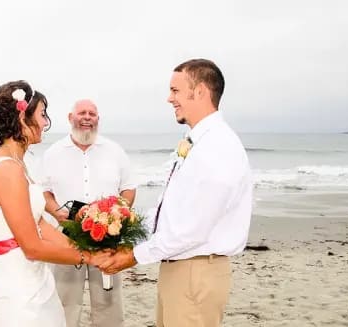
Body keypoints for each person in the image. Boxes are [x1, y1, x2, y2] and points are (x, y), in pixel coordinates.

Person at [99, 59, 253, 327]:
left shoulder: (217, 146)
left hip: (195, 270)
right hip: (180, 268)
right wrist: (127, 235)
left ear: (201, 91)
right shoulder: (197, 140)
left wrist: (134, 256)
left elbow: (192, 230)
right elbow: (170, 208)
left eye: (175, 90)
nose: (169, 98)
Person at [0, 81, 109, 327]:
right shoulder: (7, 170)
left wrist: (89, 251)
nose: (45, 122)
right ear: (23, 116)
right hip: (14, 285)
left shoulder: (17, 164)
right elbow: (32, 246)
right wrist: (87, 257)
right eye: (42, 114)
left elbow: (40, 225)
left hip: (31, 277)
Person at [41, 99, 136, 327]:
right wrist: (59, 214)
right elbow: (43, 191)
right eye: (82, 113)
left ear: (98, 120)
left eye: (92, 114)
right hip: (67, 235)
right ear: (70, 118)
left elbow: (129, 187)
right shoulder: (53, 153)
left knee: (109, 300)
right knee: (65, 299)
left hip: (107, 237)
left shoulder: (114, 151)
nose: (87, 117)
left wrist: (118, 213)